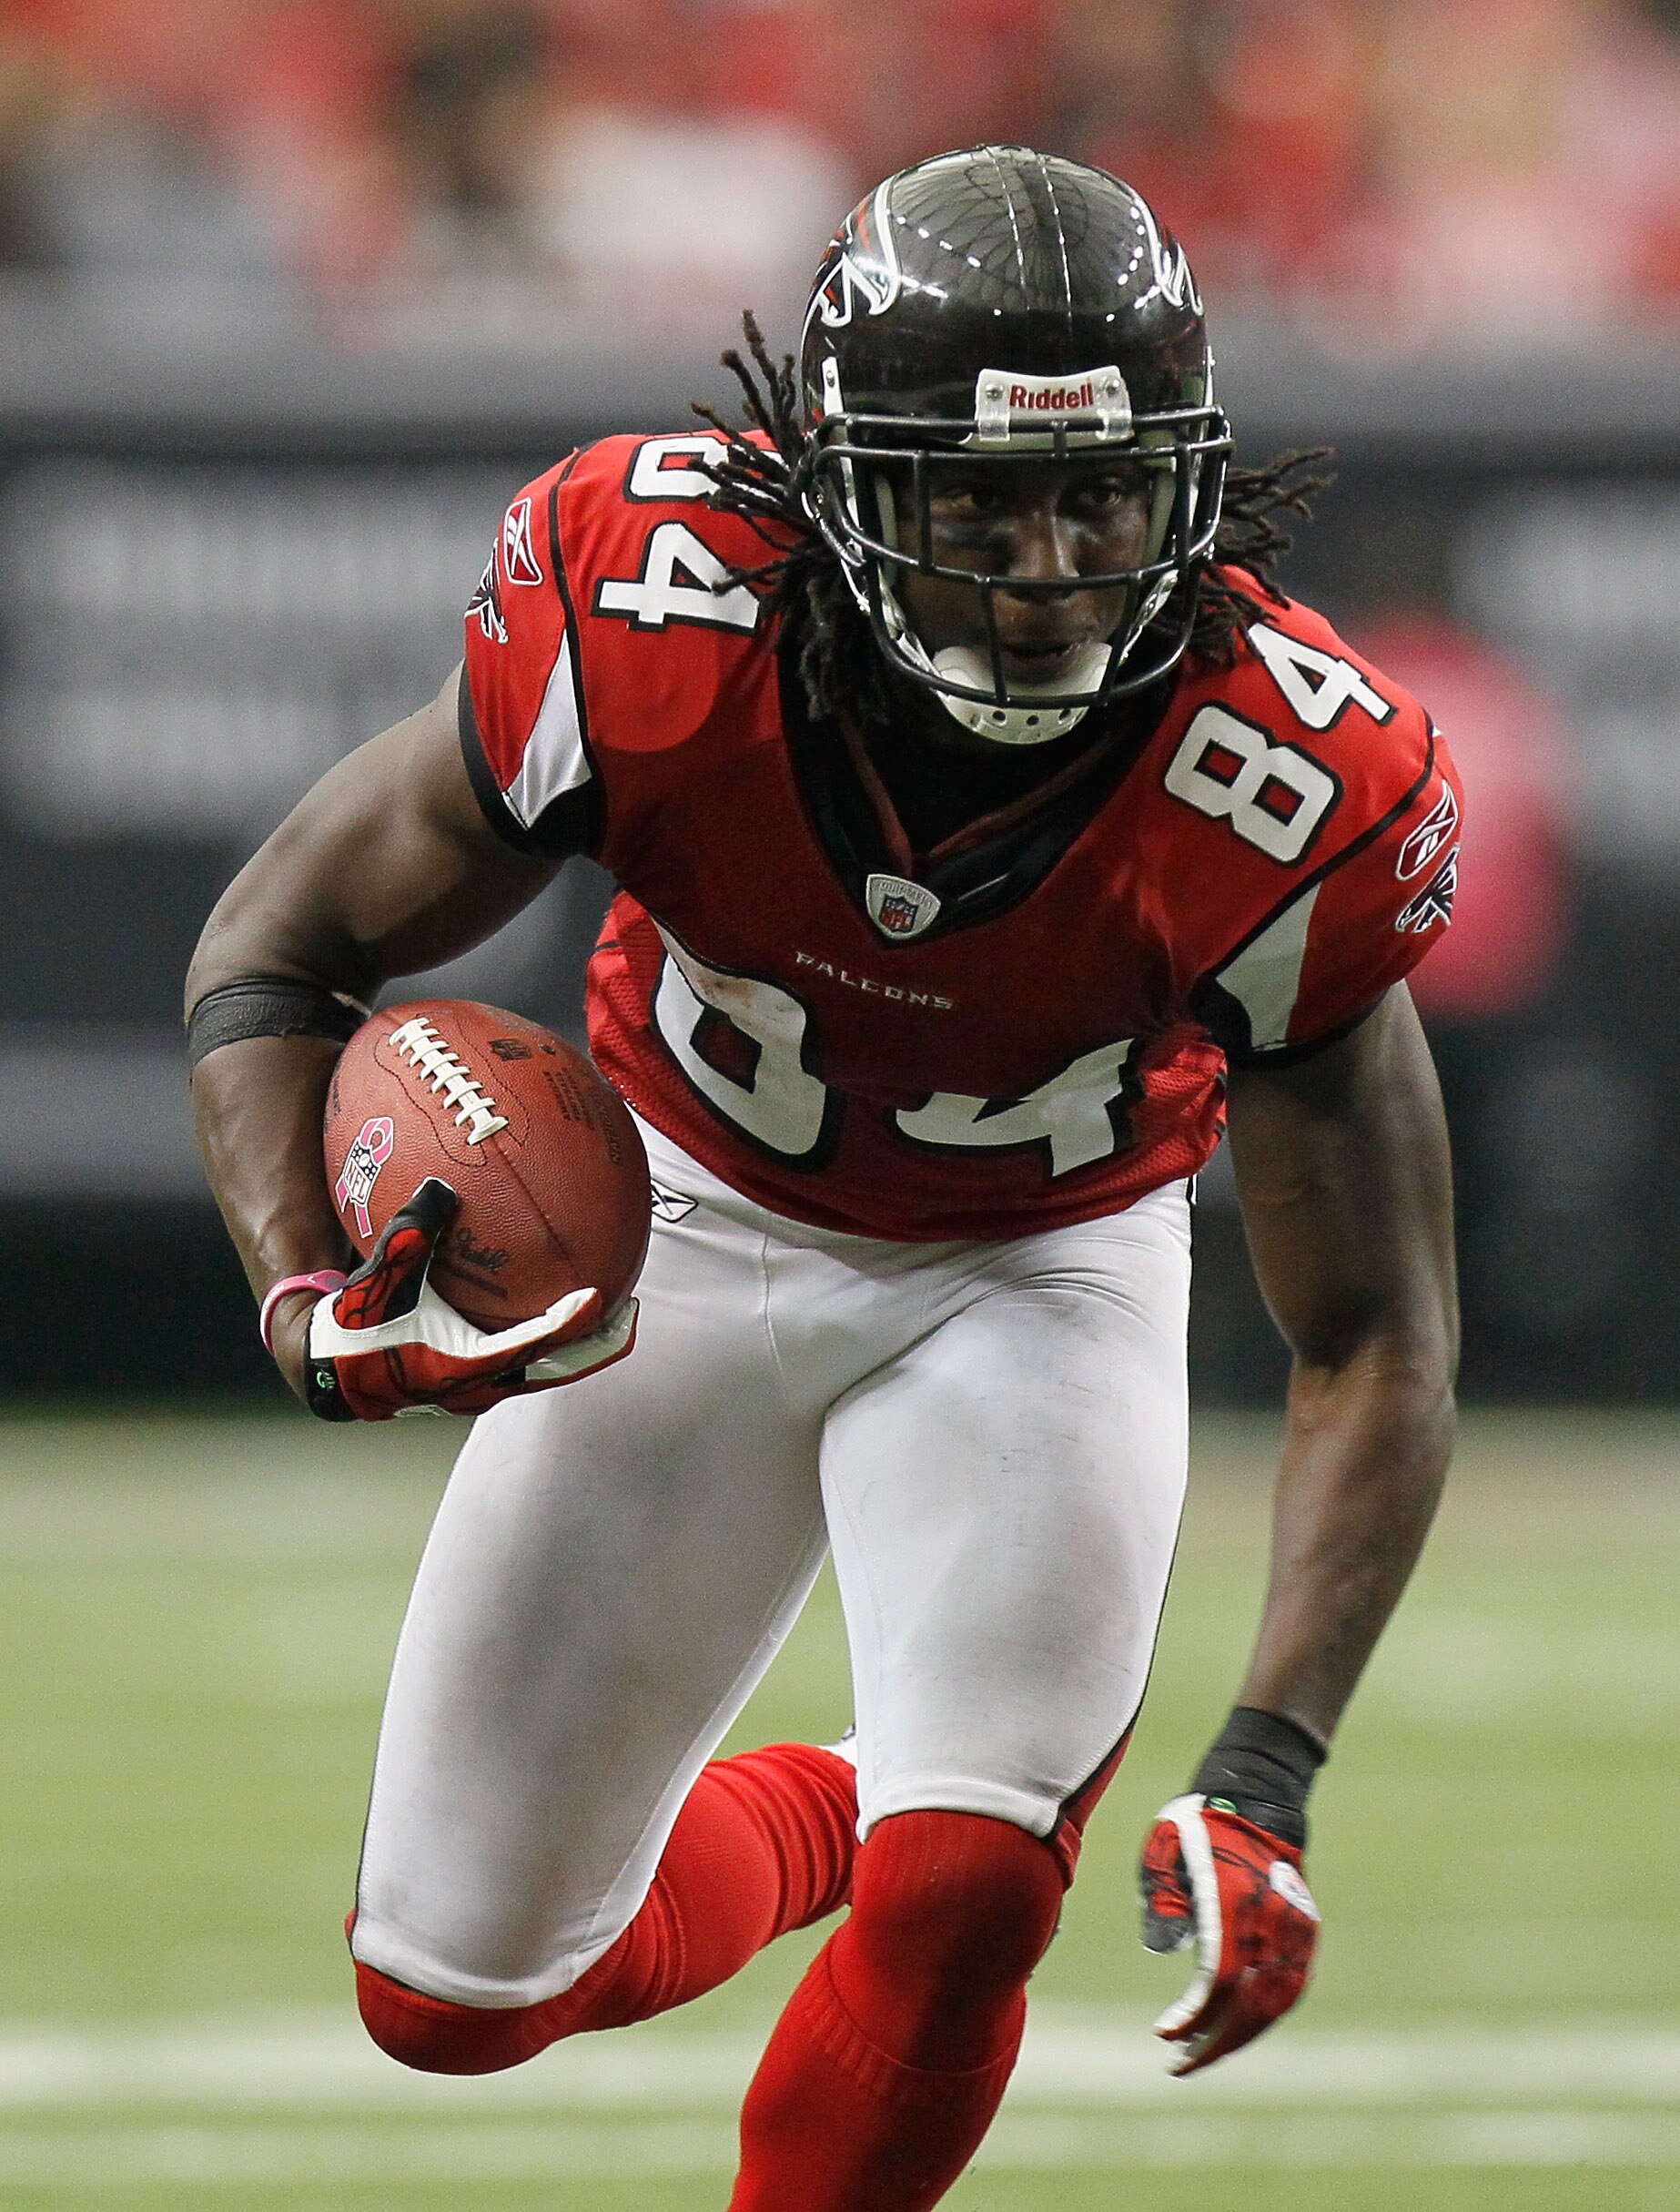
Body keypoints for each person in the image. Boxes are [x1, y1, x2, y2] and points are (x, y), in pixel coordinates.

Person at [187, 147, 1461, 2210]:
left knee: (964, 1894)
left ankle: (962, 1812)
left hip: (1034, 1275)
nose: (1043, 565)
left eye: (1100, 498)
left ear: (1189, 489)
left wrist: (1270, 1771)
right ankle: (855, 1809)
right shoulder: (642, 613)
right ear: (833, 481)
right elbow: (274, 945)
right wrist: (299, 1291)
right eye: (973, 500)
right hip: (671, 1228)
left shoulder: (1286, 779)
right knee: (453, 1997)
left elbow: (1377, 1333)